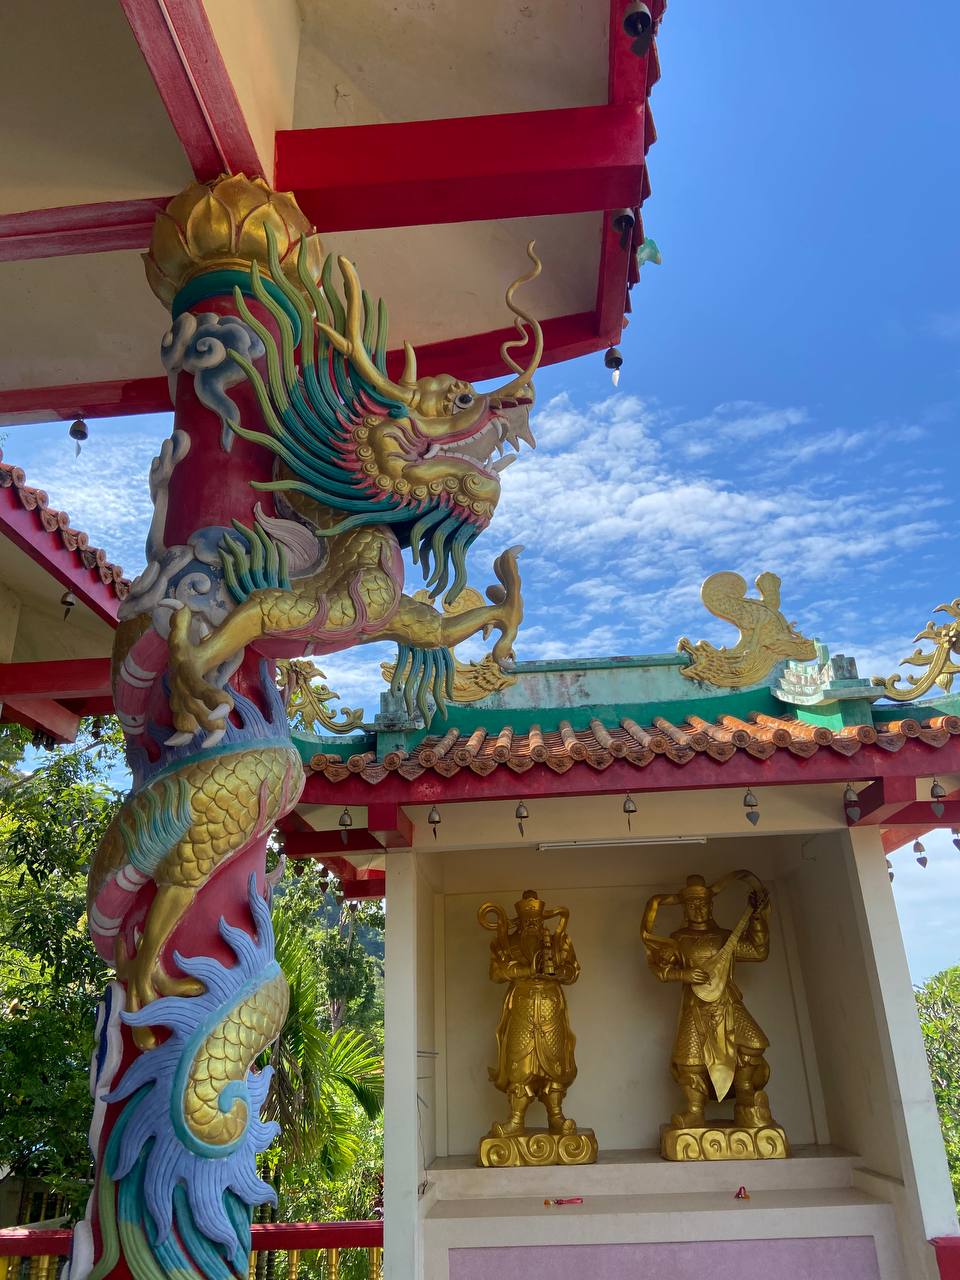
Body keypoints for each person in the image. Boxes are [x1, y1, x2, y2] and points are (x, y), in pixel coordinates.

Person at [642, 871, 773, 1129]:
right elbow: (660, 969)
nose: (698, 909)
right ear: (685, 909)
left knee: (754, 1044)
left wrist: (757, 917)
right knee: (689, 1061)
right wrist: (684, 973)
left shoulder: (725, 937)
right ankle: (694, 1109)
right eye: (692, 905)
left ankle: (745, 1094)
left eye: (703, 904)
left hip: (727, 1003)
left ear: (711, 906)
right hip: (697, 1006)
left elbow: (758, 951)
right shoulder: (679, 939)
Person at [478, 889, 580, 1137]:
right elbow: (496, 974)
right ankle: (515, 1119)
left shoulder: (558, 941)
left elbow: (574, 972)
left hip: (550, 1007)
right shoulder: (507, 943)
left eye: (536, 919)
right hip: (521, 1006)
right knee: (519, 1062)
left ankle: (556, 1116)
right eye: (527, 921)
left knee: (554, 1062)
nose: (532, 924)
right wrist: (523, 971)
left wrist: (558, 972)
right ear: (519, 921)